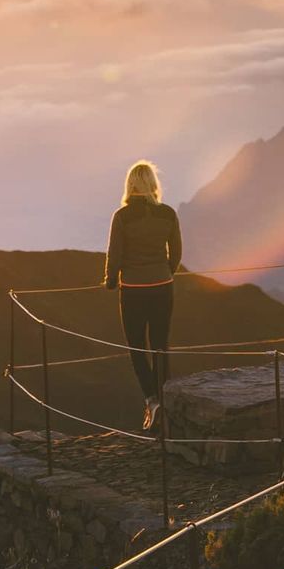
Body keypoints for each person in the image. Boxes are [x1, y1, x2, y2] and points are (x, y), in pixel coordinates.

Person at [103, 160, 183, 430]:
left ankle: (152, 400)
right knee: (160, 345)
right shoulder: (168, 214)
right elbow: (177, 252)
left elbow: (115, 255)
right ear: (152, 185)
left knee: (137, 347)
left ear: (130, 185)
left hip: (134, 290)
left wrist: (111, 280)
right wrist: (167, 271)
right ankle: (167, 401)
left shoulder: (122, 217)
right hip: (163, 286)